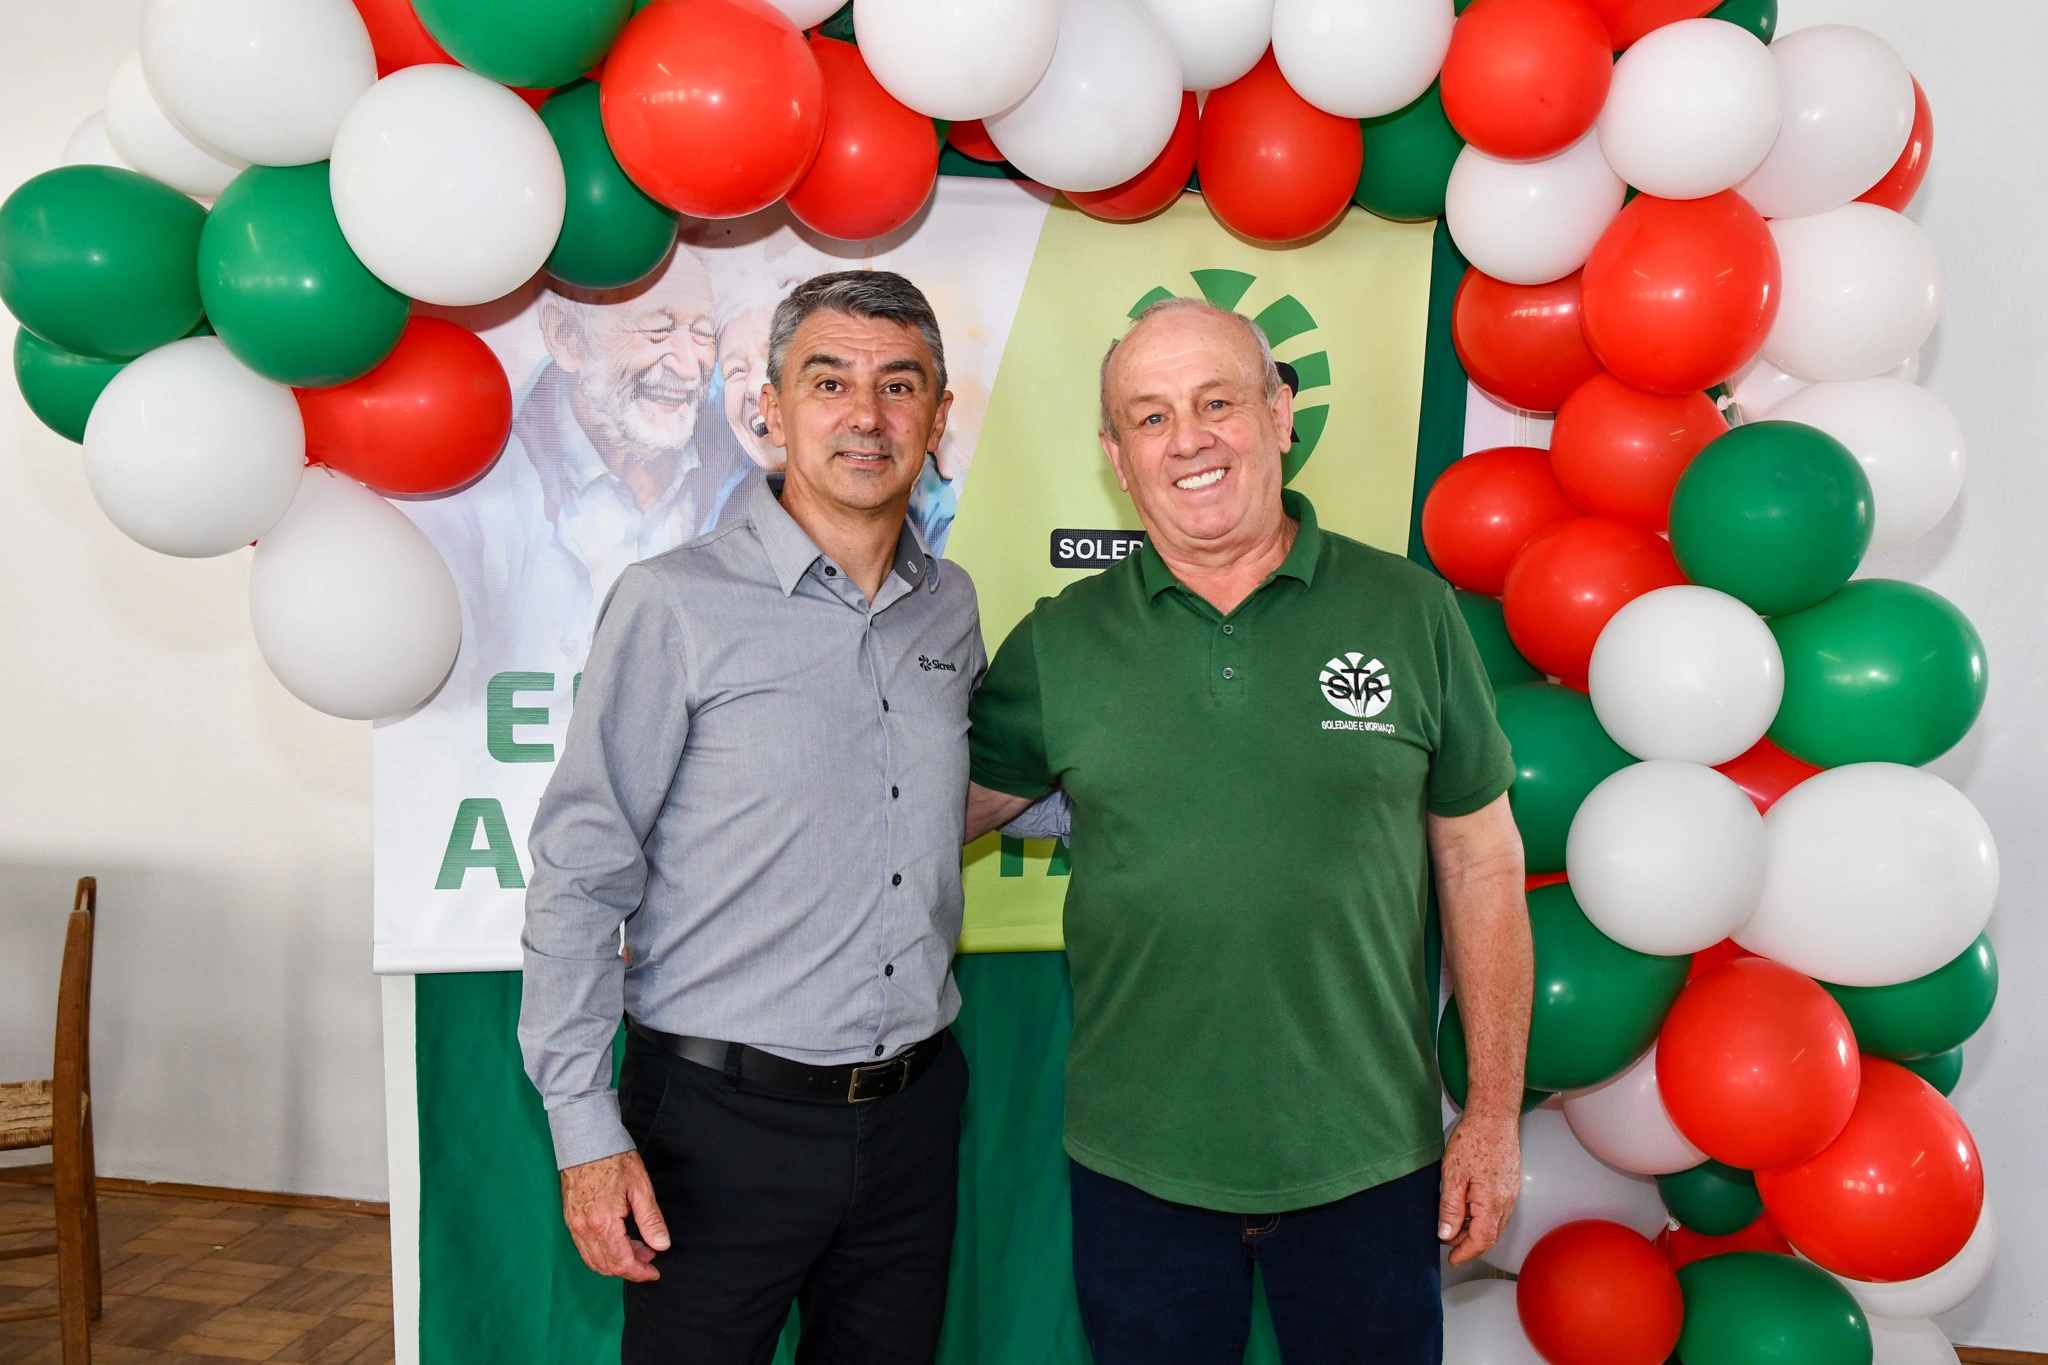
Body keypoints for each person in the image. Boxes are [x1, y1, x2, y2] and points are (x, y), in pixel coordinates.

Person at [964, 298, 1533, 1364]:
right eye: (1149, 417)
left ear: (1278, 414)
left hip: (1369, 1158)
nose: (1188, 439)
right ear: (1115, 458)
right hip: (1138, 1168)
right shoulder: (1062, 643)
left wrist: (1492, 1118)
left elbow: (1481, 860)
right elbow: (919, 815)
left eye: (1217, 401)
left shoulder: (1409, 612)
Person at [520, 271, 982, 1364]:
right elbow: (582, 871)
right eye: (829, 382)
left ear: (935, 416)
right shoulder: (672, 602)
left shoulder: (950, 605)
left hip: (913, 1115)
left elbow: (937, 797)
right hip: (715, 1129)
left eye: (898, 385)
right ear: (770, 410)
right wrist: (586, 1134)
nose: (865, 417)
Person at [410, 247, 763, 696]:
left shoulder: (746, 461)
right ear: (567, 338)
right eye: (657, 331)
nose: (689, 365)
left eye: (702, 334)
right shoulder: (480, 477)